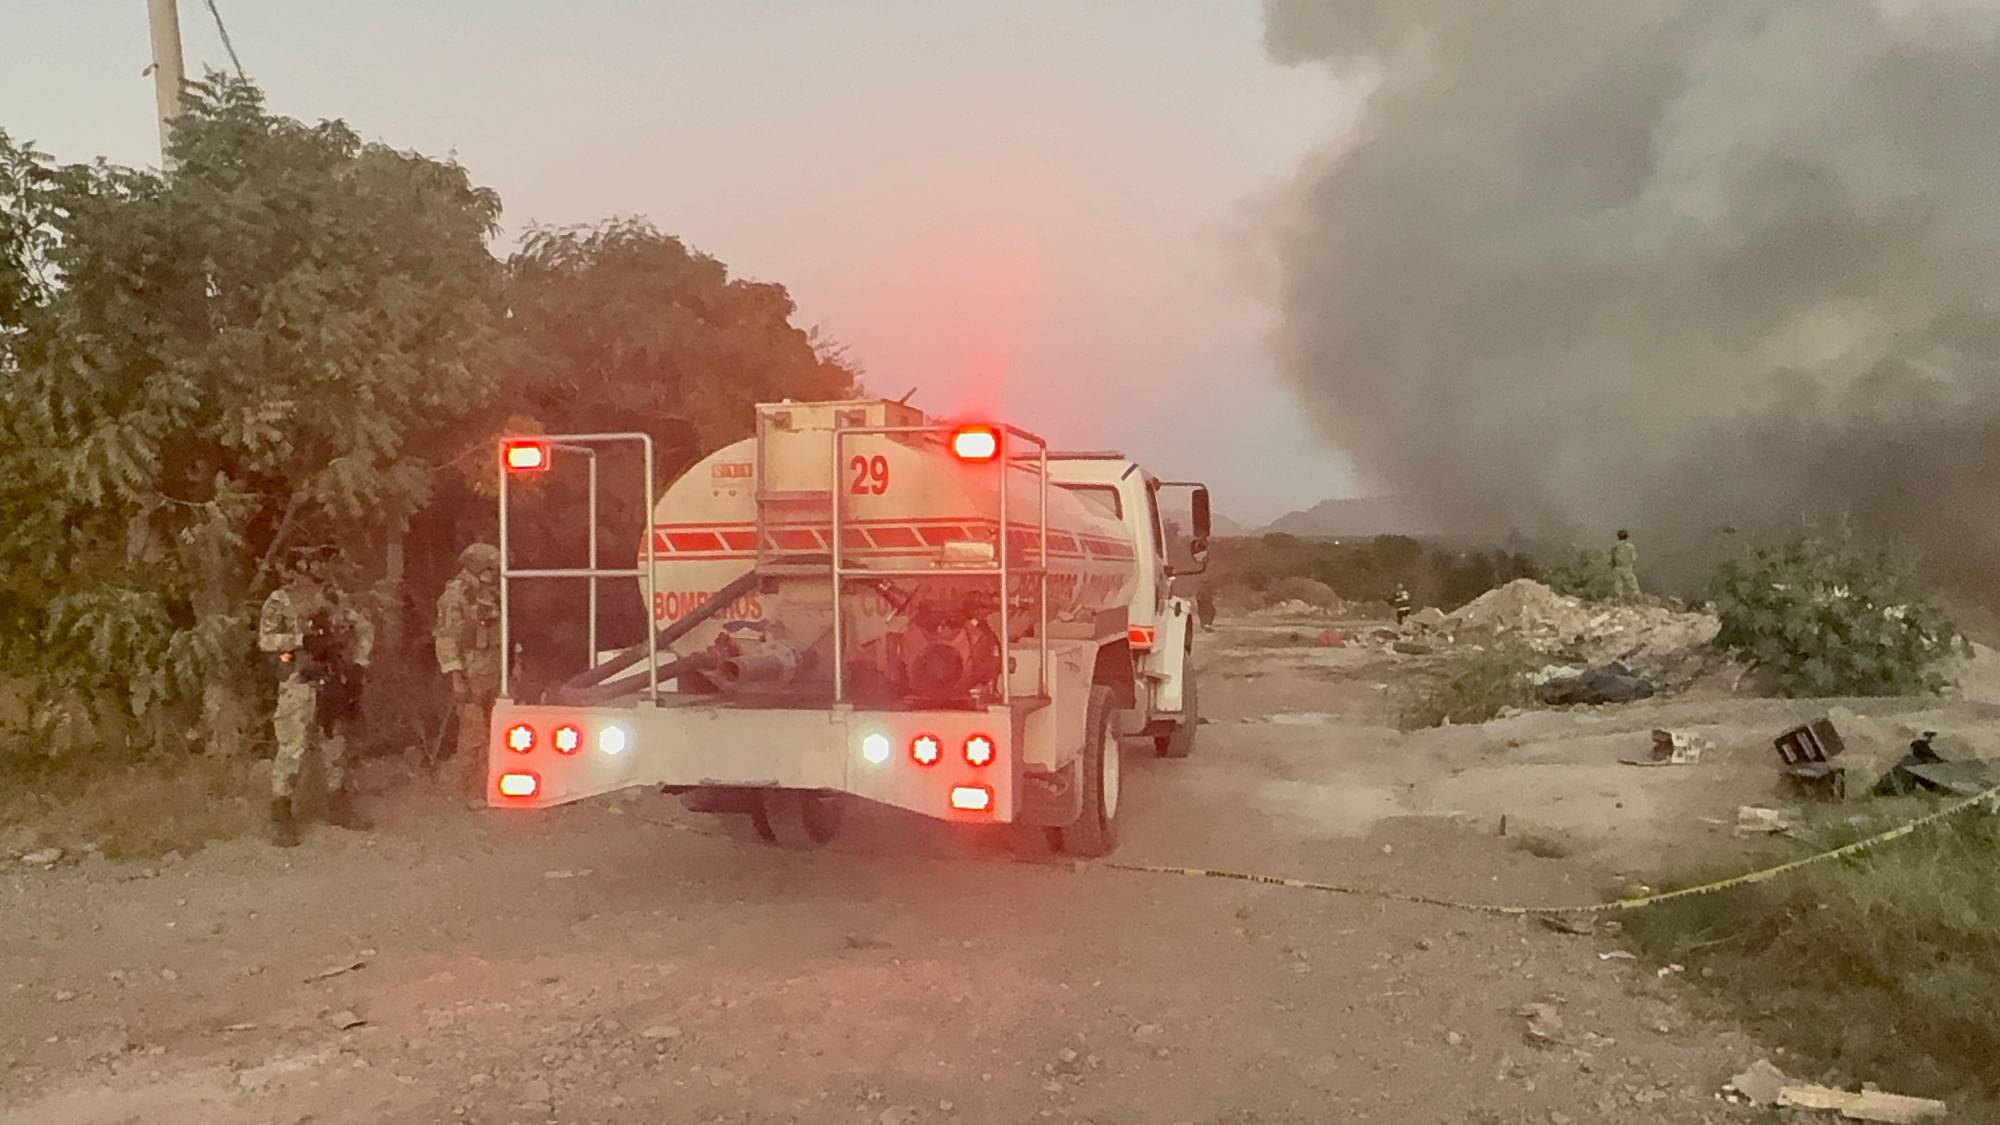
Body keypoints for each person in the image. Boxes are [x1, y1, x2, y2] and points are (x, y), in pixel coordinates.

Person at [257, 547, 374, 846]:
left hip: (332, 681)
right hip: (298, 682)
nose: (322, 566)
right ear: (299, 567)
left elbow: (364, 628)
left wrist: (360, 664)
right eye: (316, 562)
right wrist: (299, 640)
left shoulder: (335, 599)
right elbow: (265, 640)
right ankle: (281, 815)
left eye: (325, 561)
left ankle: (338, 806)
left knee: (335, 745)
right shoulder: (280, 600)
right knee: (291, 748)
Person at [435, 543, 502, 807]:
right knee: (473, 732)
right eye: (489, 566)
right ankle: (471, 789)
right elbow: (446, 637)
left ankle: (487, 784)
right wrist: (455, 675)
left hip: (493, 671)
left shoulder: (491, 592)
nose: (494, 571)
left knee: (493, 730)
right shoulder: (456, 594)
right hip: (471, 671)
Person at [1611, 529, 1641, 603]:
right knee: (1633, 586)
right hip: (1627, 568)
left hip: (1617, 568)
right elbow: (1634, 558)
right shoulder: (1631, 547)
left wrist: (1613, 567)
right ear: (1627, 537)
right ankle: (1638, 600)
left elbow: (1612, 559)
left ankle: (1619, 601)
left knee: (1618, 586)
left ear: (1618, 537)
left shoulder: (1614, 547)